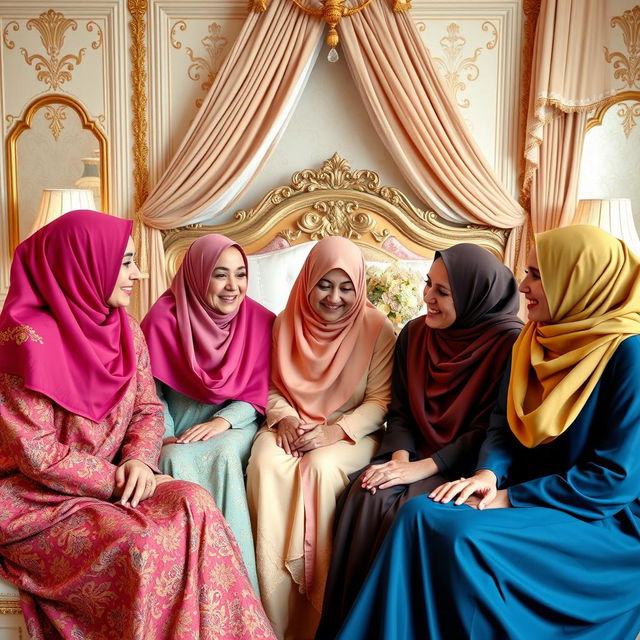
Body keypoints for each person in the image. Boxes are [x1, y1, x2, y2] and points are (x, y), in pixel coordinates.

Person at [337, 225, 640, 640]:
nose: (524, 284)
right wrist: (487, 474)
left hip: (600, 516)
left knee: (459, 535)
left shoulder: (630, 353)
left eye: (537, 274)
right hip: (529, 489)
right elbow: (503, 426)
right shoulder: (533, 340)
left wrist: (510, 496)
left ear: (577, 282)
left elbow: (613, 481)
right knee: (417, 513)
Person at [0, 210, 275, 640]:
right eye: (126, 262)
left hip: (124, 479)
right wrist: (116, 479)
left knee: (196, 501)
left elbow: (148, 408)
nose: (140, 273)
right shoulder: (26, 340)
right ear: (86, 264)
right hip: (39, 500)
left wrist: (142, 463)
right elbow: (36, 453)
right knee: (145, 546)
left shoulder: (126, 330)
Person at [316, 243, 522, 639]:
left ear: (473, 295)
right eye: (428, 284)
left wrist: (422, 469)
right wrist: (398, 461)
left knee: (408, 513)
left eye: (442, 292)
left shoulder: (509, 344)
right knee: (368, 493)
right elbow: (402, 411)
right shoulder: (414, 333)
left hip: (468, 467)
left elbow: (492, 429)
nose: (427, 296)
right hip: (413, 453)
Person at [246, 236, 396, 639]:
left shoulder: (379, 329)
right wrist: (286, 420)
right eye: (324, 285)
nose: (334, 297)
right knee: (265, 464)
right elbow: (273, 387)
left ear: (360, 286)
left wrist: (333, 431)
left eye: (346, 287)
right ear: (308, 281)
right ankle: (273, 608)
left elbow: (382, 401)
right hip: (290, 423)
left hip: (350, 431)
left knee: (321, 469)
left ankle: (318, 608)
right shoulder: (284, 322)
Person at [141, 234, 274, 592]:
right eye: (220, 274)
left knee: (224, 452)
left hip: (237, 422)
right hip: (177, 428)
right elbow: (150, 393)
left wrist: (223, 420)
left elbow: (263, 390)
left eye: (241, 274)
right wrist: (164, 433)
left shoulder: (261, 322)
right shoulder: (162, 320)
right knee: (170, 456)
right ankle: (185, 590)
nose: (233, 287)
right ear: (197, 275)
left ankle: (235, 587)